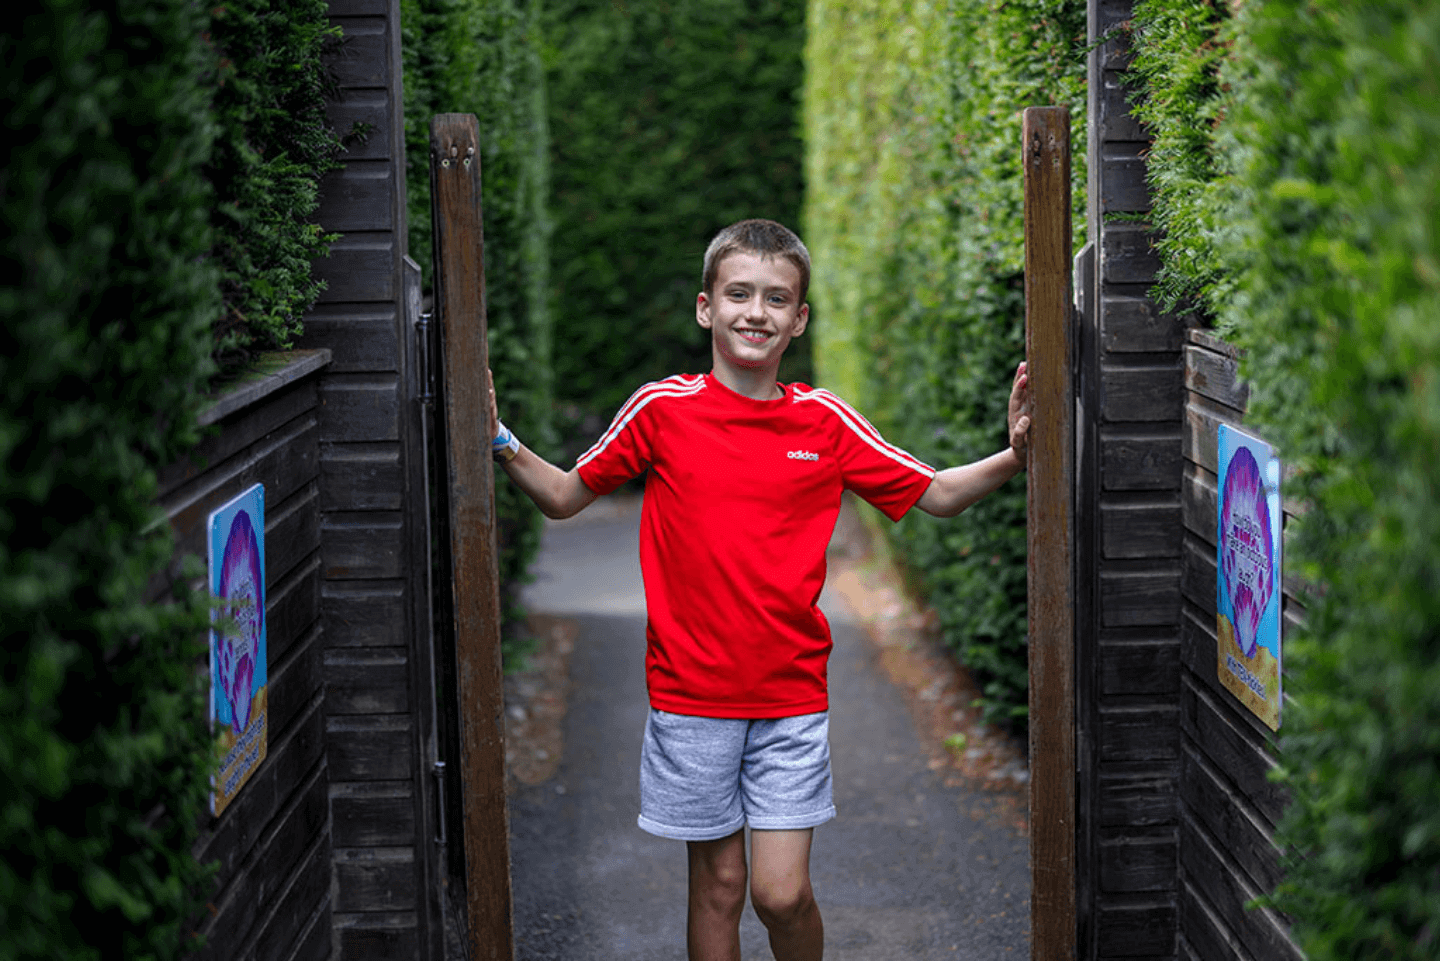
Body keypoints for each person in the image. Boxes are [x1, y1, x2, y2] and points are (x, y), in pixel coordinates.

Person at [488, 218, 1030, 961]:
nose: (756, 311)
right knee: (717, 885)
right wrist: (495, 436)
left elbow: (932, 493)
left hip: (790, 697)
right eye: (739, 293)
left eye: (777, 298)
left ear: (798, 319)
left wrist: (1015, 454)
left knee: (781, 892)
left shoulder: (825, 420)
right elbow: (563, 494)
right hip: (689, 697)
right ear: (706, 306)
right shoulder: (661, 410)